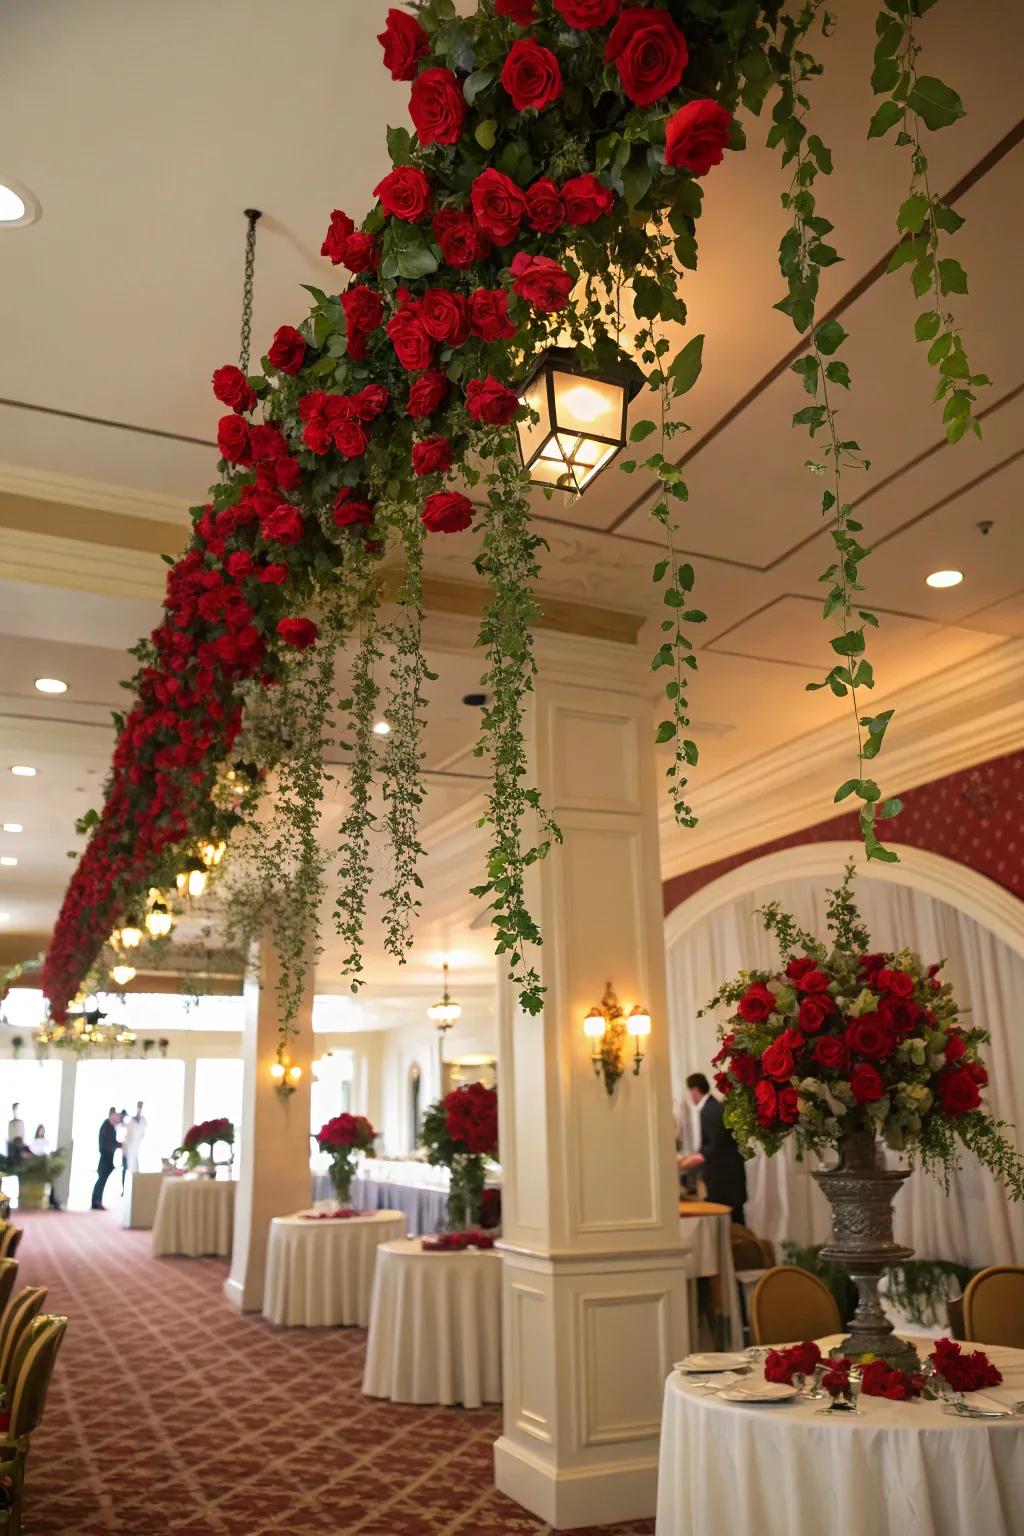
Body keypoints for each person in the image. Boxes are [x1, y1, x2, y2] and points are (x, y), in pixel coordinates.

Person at [677, 1072, 748, 1226]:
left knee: (733, 1230)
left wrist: (682, 1164)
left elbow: (712, 1148)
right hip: (729, 1183)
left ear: (695, 1090)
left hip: (725, 1184)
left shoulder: (710, 1111)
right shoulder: (713, 1107)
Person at [91, 1107, 120, 1211]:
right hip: (105, 1158)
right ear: (111, 1115)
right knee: (101, 1181)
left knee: (101, 1181)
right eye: (115, 1116)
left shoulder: (110, 1127)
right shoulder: (107, 1126)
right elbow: (107, 1143)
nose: (117, 1118)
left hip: (107, 1157)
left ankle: (97, 1202)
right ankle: (96, 1202)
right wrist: (119, 1145)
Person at [121, 1101, 147, 1191]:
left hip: (136, 1151)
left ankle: (135, 1189)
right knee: (126, 1170)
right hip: (127, 1150)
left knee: (135, 1170)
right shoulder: (129, 1121)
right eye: (139, 1107)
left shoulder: (143, 1122)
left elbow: (142, 1135)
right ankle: (124, 1189)